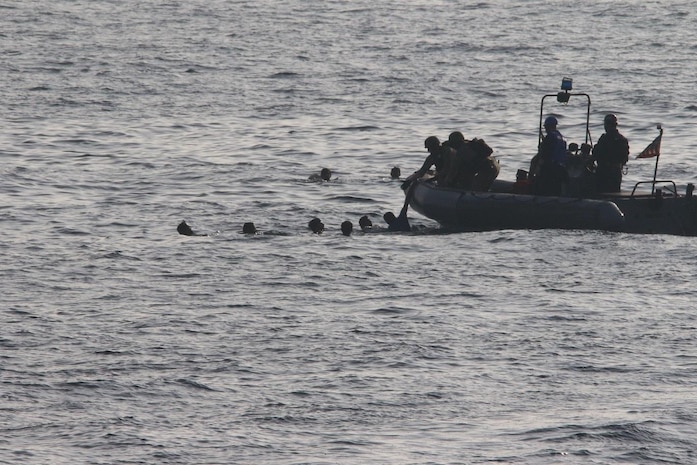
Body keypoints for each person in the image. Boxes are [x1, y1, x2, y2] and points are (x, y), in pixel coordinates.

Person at [592, 114, 630, 192]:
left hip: (604, 171)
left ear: (606, 125)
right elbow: (625, 157)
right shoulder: (622, 139)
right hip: (616, 171)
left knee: (601, 193)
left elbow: (596, 154)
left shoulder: (604, 138)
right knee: (615, 193)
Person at [532, 116, 568, 196]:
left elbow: (545, 153)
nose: (545, 129)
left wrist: (538, 167)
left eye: (546, 127)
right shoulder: (559, 136)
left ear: (548, 126)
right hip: (561, 168)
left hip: (551, 168)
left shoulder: (550, 137)